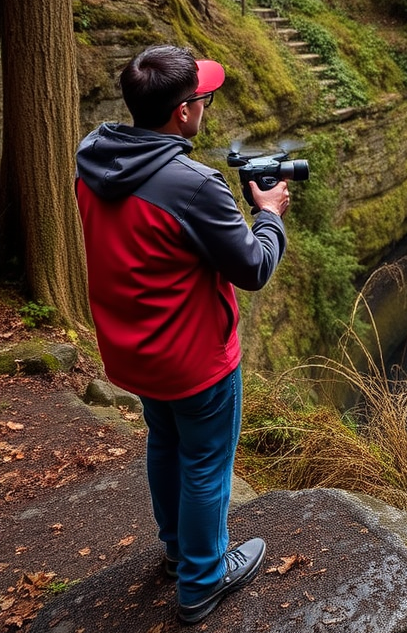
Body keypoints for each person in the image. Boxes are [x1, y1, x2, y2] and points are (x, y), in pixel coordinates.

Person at [75, 44, 290, 625]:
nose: (205, 107)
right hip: (194, 360)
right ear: (184, 111)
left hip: (134, 350)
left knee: (166, 443)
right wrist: (269, 214)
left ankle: (177, 552)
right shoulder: (193, 184)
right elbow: (253, 268)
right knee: (206, 463)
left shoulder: (93, 163)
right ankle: (202, 579)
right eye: (204, 99)